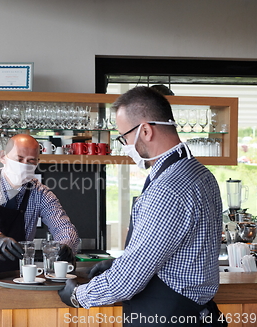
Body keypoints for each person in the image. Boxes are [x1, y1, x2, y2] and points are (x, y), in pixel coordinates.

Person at [59, 87, 225, 326]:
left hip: (167, 318)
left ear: (145, 130)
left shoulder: (168, 189)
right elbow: (178, 252)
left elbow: (127, 281)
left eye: (123, 137)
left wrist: (77, 296)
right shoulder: (200, 173)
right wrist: (120, 262)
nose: (125, 146)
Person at [0, 134, 79, 277]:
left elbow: (63, 226)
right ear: (3, 157)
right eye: (19, 159)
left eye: (30, 161)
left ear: (37, 163)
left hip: (11, 278)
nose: (24, 165)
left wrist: (67, 245)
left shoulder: (41, 194)